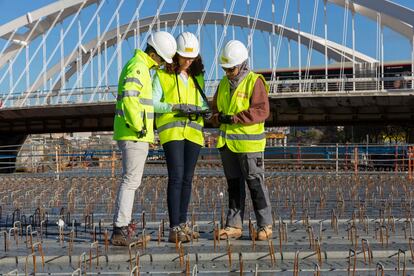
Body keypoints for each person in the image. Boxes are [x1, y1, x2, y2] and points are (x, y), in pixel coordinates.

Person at [111, 31, 177, 246]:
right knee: (130, 182)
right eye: (161, 59)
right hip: (134, 134)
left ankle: (124, 225)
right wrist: (139, 127)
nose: (160, 64)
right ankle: (120, 230)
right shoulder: (139, 67)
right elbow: (130, 99)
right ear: (154, 53)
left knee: (131, 181)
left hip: (133, 133)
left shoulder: (139, 66)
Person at [211, 40, 273, 241]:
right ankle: (234, 225)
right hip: (228, 144)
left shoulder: (254, 81)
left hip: (249, 145)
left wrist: (234, 118)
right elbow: (215, 110)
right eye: (225, 69)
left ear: (243, 64)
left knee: (255, 184)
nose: (228, 72)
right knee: (234, 186)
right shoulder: (222, 85)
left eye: (232, 68)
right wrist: (215, 117)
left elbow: (261, 110)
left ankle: (265, 225)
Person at [152, 32, 209, 243]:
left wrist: (203, 110)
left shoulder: (198, 77)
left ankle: (183, 223)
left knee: (187, 179)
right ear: (175, 55)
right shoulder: (162, 75)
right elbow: (152, 102)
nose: (188, 61)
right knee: (176, 177)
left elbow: (203, 103)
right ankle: (174, 227)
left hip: (193, 132)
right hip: (173, 131)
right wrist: (174, 106)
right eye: (184, 57)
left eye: (192, 58)